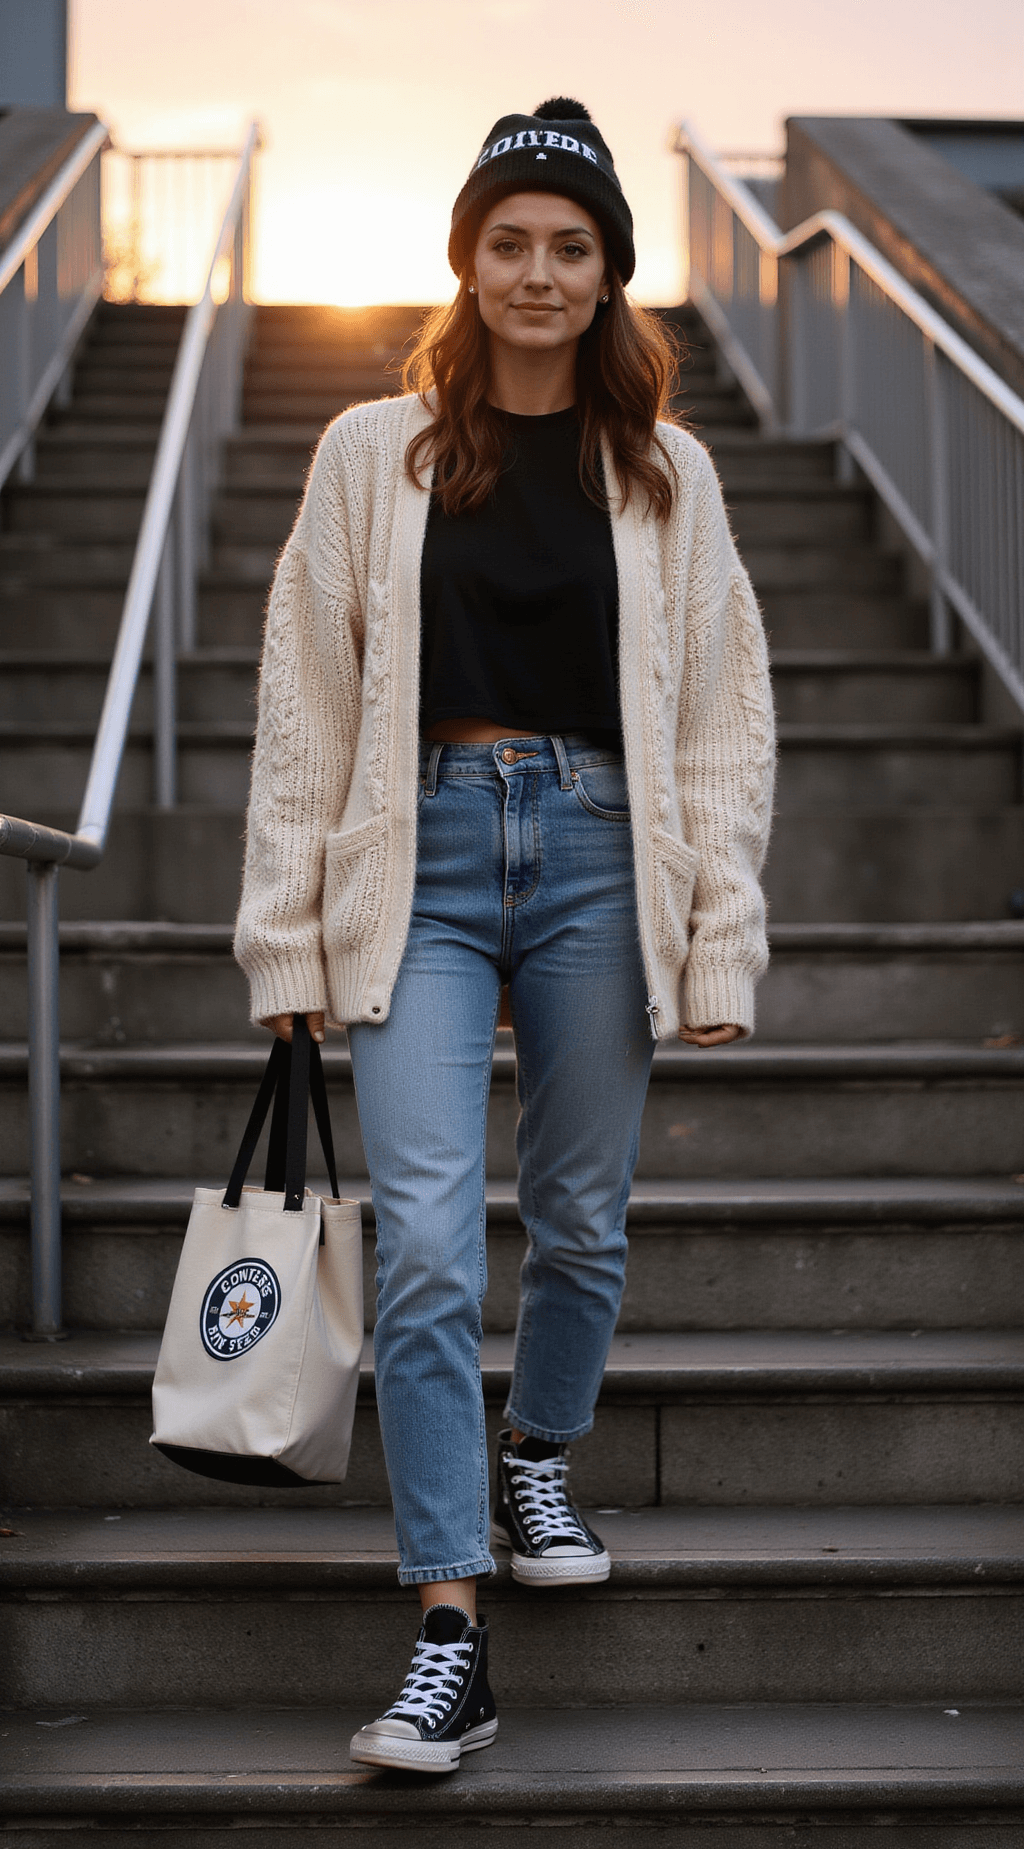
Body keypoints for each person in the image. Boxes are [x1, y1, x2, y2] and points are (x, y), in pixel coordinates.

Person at [234, 96, 775, 1774]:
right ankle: (450, 1627)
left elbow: (724, 716)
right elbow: (305, 710)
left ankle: (541, 1445)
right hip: (426, 857)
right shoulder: (365, 457)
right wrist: (288, 945)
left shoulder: (667, 472)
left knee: (582, 1219)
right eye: (509, 244)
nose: (538, 273)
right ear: (464, 265)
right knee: (424, 1242)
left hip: (610, 851)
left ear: (611, 277)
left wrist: (717, 932)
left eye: (572, 248)